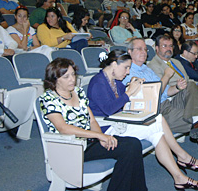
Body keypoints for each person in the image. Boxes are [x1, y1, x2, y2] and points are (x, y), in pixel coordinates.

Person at [87, 50, 198, 190]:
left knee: (157, 133)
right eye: (125, 67)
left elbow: (124, 103)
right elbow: (109, 109)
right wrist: (129, 91)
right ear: (114, 64)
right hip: (107, 128)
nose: (127, 72)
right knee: (157, 121)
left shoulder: (115, 81)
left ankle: (179, 176)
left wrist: (136, 88)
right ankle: (182, 158)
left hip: (119, 122)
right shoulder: (98, 82)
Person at [123, 38, 198, 180]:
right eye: (139, 49)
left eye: (145, 49)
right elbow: (152, 97)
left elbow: (164, 92)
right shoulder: (128, 72)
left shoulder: (145, 69)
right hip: (155, 112)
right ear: (129, 52)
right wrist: (166, 75)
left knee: (191, 85)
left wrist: (177, 87)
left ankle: (197, 119)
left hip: (168, 103)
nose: (144, 52)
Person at [40, 58, 147, 191]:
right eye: (66, 76)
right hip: (70, 148)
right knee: (129, 149)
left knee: (133, 144)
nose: (72, 79)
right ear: (55, 79)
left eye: (73, 74)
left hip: (89, 143)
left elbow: (92, 120)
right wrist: (99, 136)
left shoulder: (78, 92)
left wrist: (100, 137)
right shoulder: (48, 99)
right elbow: (63, 128)